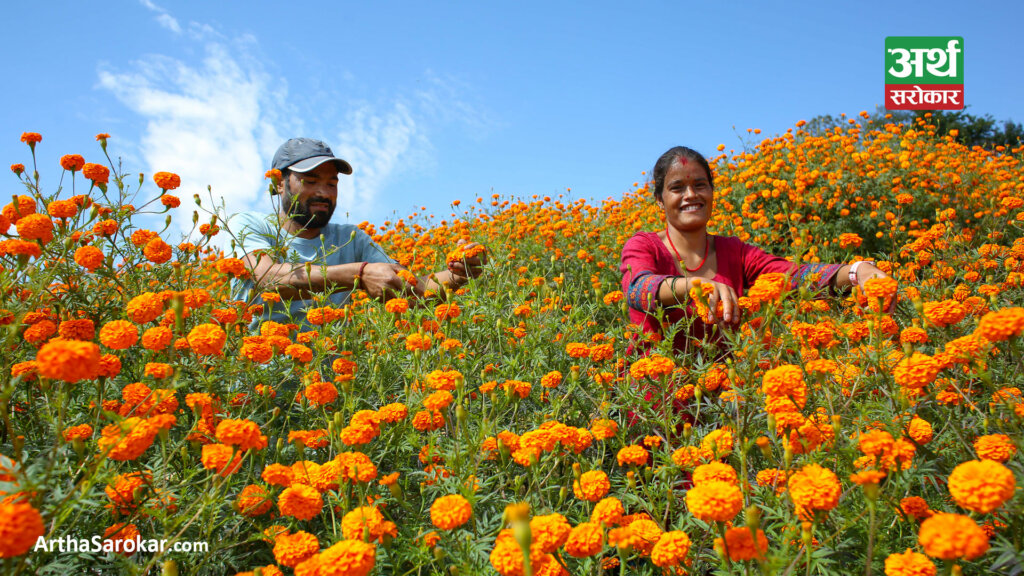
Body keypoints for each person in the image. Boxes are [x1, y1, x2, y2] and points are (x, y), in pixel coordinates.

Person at [620, 145, 893, 356]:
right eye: (677, 188)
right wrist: (691, 285)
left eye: (699, 185)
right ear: (660, 200)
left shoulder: (734, 251)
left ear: (712, 192)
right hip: (654, 412)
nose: (690, 194)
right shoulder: (644, 245)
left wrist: (858, 271)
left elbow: (794, 275)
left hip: (725, 410)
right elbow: (637, 288)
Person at [229, 137, 486, 328]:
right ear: (278, 184)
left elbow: (411, 290)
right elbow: (265, 277)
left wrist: (459, 274)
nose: (324, 192)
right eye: (310, 181)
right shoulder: (249, 224)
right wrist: (359, 274)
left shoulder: (351, 239)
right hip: (256, 390)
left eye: (332, 184)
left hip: (335, 387)